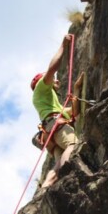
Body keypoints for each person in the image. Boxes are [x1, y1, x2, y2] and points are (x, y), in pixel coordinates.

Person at [32, 34, 83, 188]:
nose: (56, 80)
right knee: (73, 146)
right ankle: (55, 179)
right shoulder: (41, 89)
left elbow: (74, 112)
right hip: (56, 126)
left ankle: (47, 185)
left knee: (57, 165)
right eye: (52, 79)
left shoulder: (52, 105)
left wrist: (75, 89)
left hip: (51, 132)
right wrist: (63, 45)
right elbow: (52, 68)